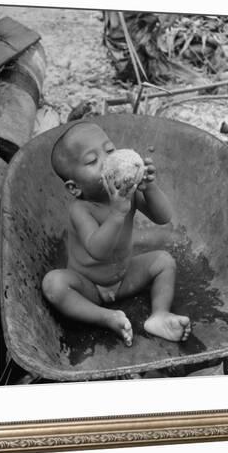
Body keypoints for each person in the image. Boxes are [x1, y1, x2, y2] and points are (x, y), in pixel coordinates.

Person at [42, 121, 191, 347]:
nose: (108, 161)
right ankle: (107, 318)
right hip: (88, 286)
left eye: (110, 151)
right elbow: (97, 250)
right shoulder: (81, 209)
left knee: (164, 261)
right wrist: (117, 213)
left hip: (124, 277)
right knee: (54, 284)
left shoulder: (127, 193)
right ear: (75, 187)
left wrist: (150, 188)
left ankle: (159, 315)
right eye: (92, 161)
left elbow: (163, 217)